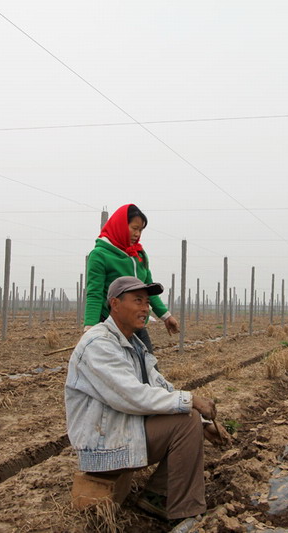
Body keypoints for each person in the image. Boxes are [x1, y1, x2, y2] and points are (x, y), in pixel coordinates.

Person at [66, 276, 217, 522]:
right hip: (102, 447)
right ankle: (185, 512)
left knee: (190, 419)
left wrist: (203, 422)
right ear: (115, 304)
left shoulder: (134, 343)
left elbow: (160, 387)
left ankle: (158, 496)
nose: (146, 308)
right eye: (138, 301)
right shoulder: (98, 344)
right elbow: (132, 396)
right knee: (186, 420)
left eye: (147, 302)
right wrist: (191, 400)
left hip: (121, 431)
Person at [84, 204, 179, 352]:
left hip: (137, 324)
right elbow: (94, 294)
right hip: (112, 326)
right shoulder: (100, 255)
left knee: (148, 364)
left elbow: (148, 289)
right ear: (121, 226)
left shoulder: (139, 254)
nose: (137, 234)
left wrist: (166, 316)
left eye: (140, 230)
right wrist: (90, 329)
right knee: (114, 365)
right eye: (134, 228)